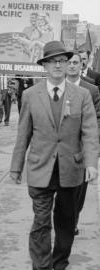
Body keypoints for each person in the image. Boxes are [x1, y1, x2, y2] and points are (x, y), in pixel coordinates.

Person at [10, 41, 99, 270]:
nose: (59, 65)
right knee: (41, 221)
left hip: (71, 169)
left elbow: (89, 131)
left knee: (66, 221)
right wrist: (16, 167)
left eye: (63, 60)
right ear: (44, 66)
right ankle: (41, 266)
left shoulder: (82, 95)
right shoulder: (30, 95)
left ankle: (59, 263)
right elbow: (24, 134)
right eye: (53, 61)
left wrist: (91, 163)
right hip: (40, 167)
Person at [66, 51, 100, 235]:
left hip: (82, 150)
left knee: (79, 189)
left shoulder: (92, 90)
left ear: (81, 66)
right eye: (69, 62)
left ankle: (73, 219)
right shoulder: (54, 87)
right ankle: (63, 218)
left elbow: (98, 119)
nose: (72, 65)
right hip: (59, 150)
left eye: (76, 62)